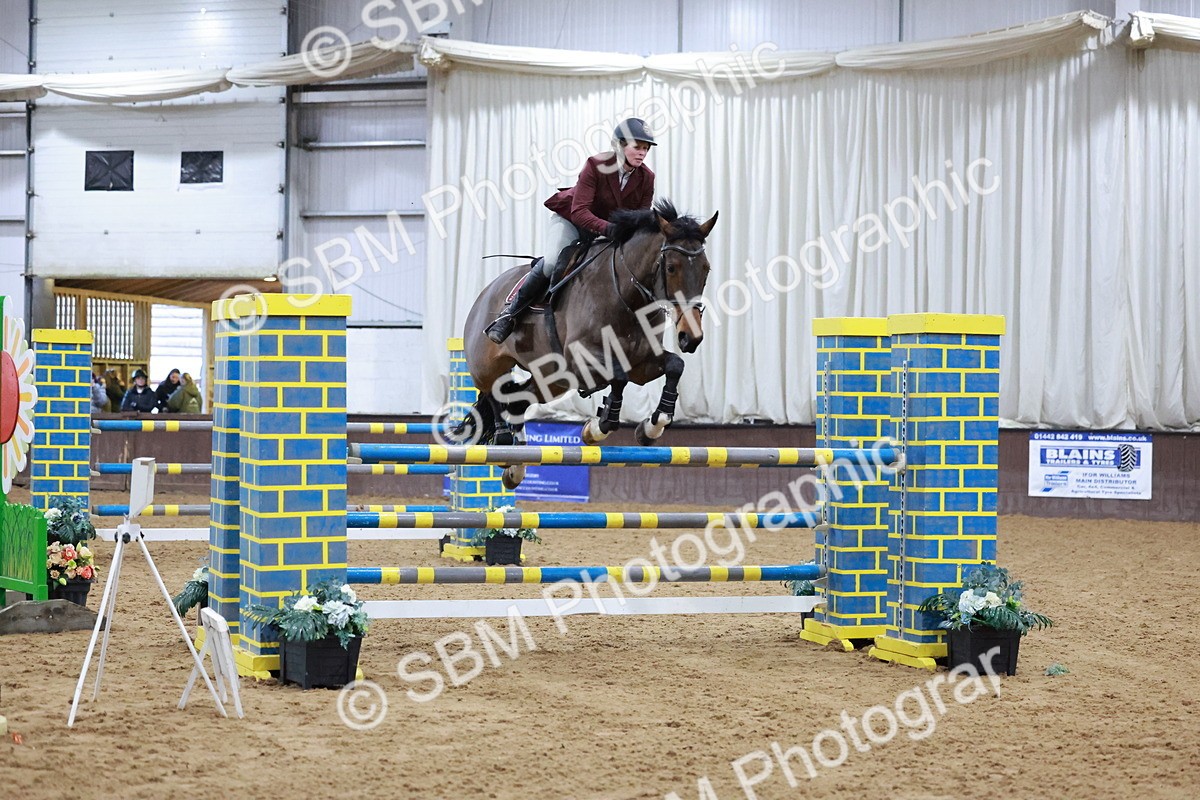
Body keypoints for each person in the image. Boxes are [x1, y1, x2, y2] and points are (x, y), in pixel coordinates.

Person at [484, 117, 657, 344]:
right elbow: (580, 211)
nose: (642, 153)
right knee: (551, 261)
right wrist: (609, 228)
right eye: (637, 147)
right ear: (620, 146)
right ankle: (509, 315)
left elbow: (640, 218)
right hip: (573, 222)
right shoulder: (595, 165)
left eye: (645, 148)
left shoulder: (647, 178)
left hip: (608, 232)